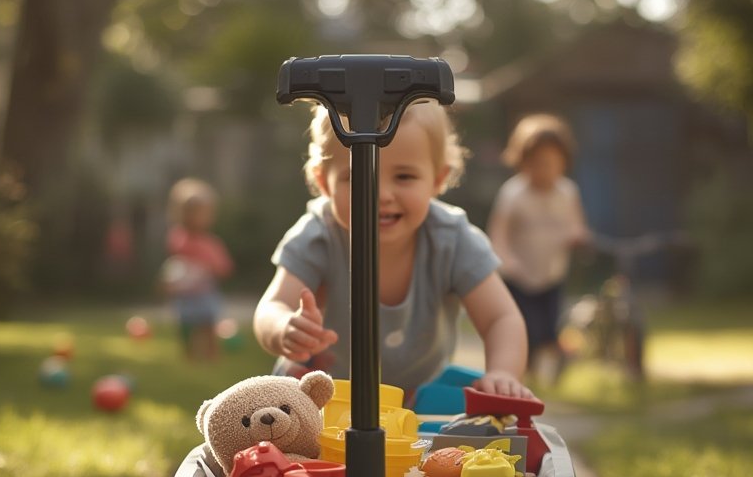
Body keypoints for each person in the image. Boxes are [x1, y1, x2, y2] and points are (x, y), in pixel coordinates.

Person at [253, 101, 534, 401]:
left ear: (438, 179)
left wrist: (503, 373)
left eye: (404, 177)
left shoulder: (452, 240)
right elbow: (271, 307)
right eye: (358, 174)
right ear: (324, 182)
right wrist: (284, 327)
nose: (381, 195)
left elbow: (501, 318)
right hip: (318, 400)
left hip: (416, 400)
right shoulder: (318, 236)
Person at [487, 114, 592, 384]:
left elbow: (577, 225)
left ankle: (553, 362)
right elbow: (498, 235)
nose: (544, 170)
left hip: (552, 274)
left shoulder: (567, 192)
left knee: (548, 330)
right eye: (537, 163)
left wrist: (578, 237)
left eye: (550, 163)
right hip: (520, 277)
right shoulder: (513, 194)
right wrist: (507, 261)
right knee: (526, 331)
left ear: (563, 162)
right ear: (522, 161)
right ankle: (525, 374)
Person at [162, 178, 234, 361]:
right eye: (190, 213)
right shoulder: (178, 238)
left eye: (202, 213)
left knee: (209, 324)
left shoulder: (211, 243)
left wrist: (211, 264)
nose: (196, 218)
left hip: (205, 293)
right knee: (185, 326)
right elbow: (174, 264)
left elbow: (225, 267)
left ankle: (211, 355)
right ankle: (189, 356)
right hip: (185, 295)